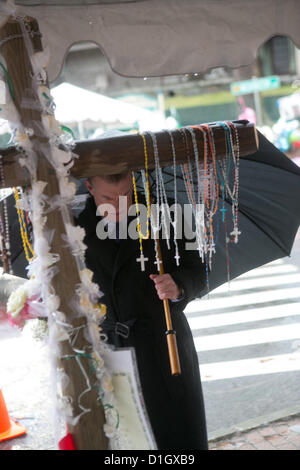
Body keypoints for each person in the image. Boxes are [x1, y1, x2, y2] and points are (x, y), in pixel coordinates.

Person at [76, 170, 209, 450]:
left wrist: (179, 285)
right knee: (128, 437)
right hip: (108, 346)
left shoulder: (168, 211)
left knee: (177, 435)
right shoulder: (73, 225)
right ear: (89, 186)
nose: (118, 205)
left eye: (125, 195)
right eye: (108, 198)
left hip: (164, 343)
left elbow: (199, 271)